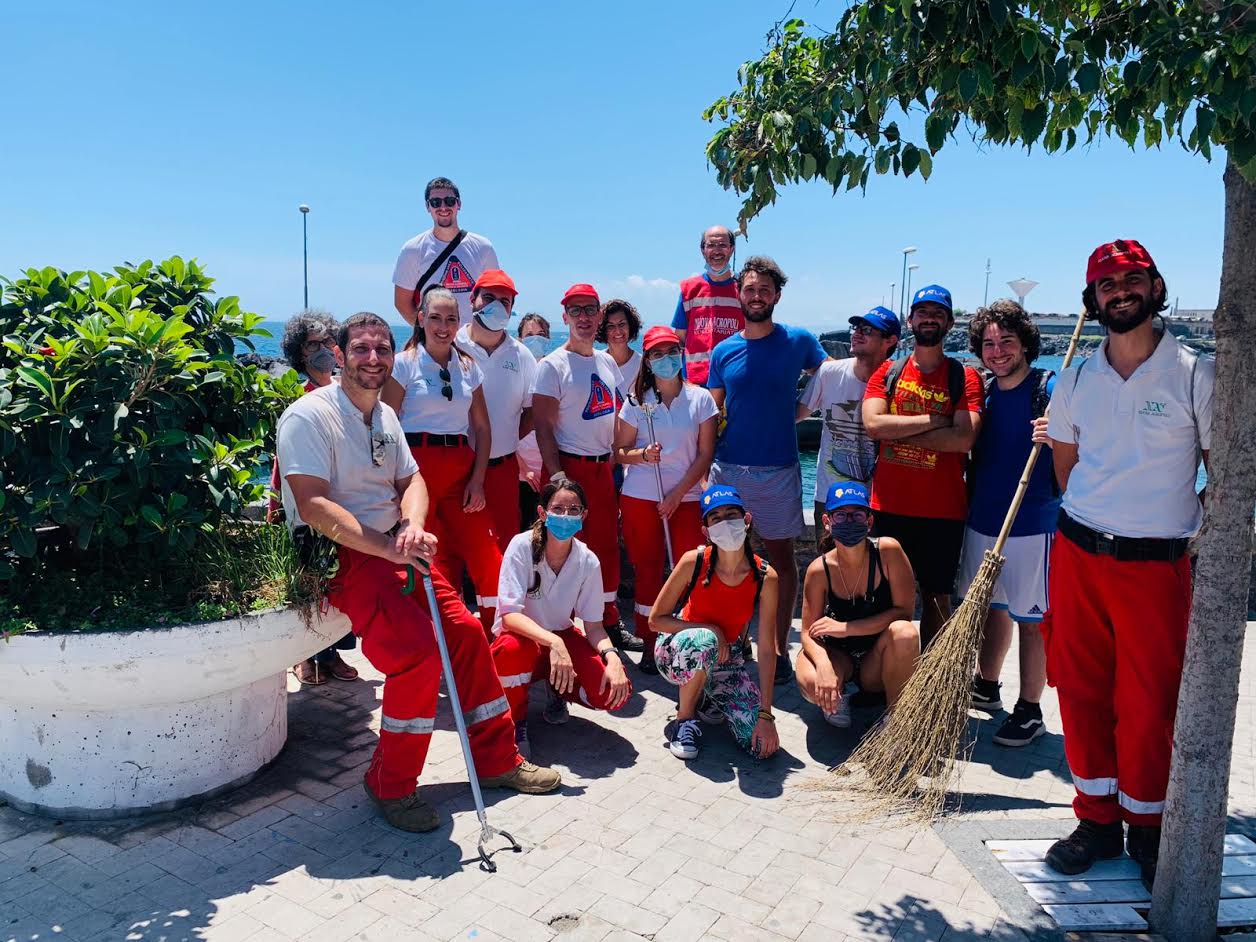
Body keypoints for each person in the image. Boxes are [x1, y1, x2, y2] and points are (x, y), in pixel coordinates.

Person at [276, 312, 559, 833]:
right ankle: (391, 784)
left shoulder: (384, 415)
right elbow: (313, 505)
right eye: (361, 349)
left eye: (382, 349)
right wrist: (388, 546)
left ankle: (497, 760)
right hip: (344, 555)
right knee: (416, 656)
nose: (374, 359)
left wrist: (412, 526)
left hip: (396, 547)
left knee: (469, 633)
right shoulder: (308, 416)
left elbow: (413, 480)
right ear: (341, 355)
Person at [1042, 240, 1212, 885]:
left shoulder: (1195, 372)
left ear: (1155, 285)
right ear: (1093, 299)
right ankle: (1095, 819)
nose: (1120, 291)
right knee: (1080, 690)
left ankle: (1148, 827)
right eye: (1107, 284)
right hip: (1081, 552)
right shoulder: (1079, 376)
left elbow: (1219, 470)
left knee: (1148, 701)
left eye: (1132, 279)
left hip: (1156, 567)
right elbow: (1065, 460)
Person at [707, 256, 827, 683]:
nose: (756, 296)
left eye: (764, 290)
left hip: (779, 469)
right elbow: (713, 410)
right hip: (729, 469)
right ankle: (730, 641)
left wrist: (800, 411)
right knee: (725, 558)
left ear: (776, 295)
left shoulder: (799, 340)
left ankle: (776, 647)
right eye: (749, 289)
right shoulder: (723, 351)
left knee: (782, 559)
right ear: (739, 293)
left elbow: (827, 376)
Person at [862, 284, 984, 649]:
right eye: (923, 312)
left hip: (942, 512)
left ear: (948, 323)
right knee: (879, 596)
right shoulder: (888, 371)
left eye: (938, 313)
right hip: (887, 508)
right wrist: (937, 419)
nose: (929, 319)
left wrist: (897, 433)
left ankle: (928, 684)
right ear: (911, 319)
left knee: (937, 599)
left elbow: (963, 439)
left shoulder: (964, 377)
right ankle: (879, 678)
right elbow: (873, 426)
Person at [961, 301, 1057, 747]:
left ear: (1025, 345)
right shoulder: (983, 391)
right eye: (989, 343)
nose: (997, 351)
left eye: (1006, 342)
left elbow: (1086, 442)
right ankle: (987, 685)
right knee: (992, 606)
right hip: (982, 516)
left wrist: (1055, 433)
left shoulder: (1049, 389)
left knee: (1031, 619)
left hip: (1032, 521)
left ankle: (1031, 709)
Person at [383, 288, 503, 634]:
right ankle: (438, 638)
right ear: (420, 318)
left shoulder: (468, 365)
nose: (443, 325)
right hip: (415, 471)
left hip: (460, 472)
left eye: (451, 318)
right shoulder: (404, 364)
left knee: (487, 556)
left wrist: (478, 480)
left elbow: (482, 427)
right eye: (435, 317)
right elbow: (387, 425)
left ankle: (496, 637)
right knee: (427, 559)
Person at [490, 480, 633, 759]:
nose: (566, 516)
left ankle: (558, 688)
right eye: (558, 508)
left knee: (616, 691)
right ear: (542, 513)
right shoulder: (521, 547)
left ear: (584, 515)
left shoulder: (588, 560)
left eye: (574, 509)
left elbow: (593, 626)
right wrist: (554, 642)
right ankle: (515, 721)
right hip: (522, 637)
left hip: (560, 637)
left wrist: (614, 658)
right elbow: (509, 616)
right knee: (509, 653)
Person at [533, 284, 639, 651]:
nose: (583, 317)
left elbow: (616, 415)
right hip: (567, 468)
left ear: (599, 316)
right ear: (564, 317)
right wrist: (556, 474)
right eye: (575, 310)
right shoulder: (551, 366)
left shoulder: (607, 361)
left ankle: (608, 621)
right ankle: (564, 626)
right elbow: (543, 426)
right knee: (562, 547)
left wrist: (621, 458)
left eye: (590, 310)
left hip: (602, 469)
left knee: (606, 547)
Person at [648, 485, 780, 760]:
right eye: (716, 518)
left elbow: (767, 648)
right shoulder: (694, 561)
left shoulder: (765, 576)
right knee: (705, 641)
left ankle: (707, 695)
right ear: (706, 531)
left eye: (732, 514)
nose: (725, 523)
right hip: (678, 649)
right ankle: (683, 720)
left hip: (725, 658)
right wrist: (709, 629)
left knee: (760, 746)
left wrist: (766, 715)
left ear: (747, 520)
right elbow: (655, 621)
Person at [614, 326, 719, 673]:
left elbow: (705, 454)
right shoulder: (636, 402)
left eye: (671, 351)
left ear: (682, 354)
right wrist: (643, 454)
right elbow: (619, 453)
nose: (665, 359)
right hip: (642, 496)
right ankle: (649, 640)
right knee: (647, 571)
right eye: (657, 354)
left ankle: (689, 638)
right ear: (647, 360)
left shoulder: (701, 399)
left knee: (688, 571)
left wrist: (676, 495)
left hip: (687, 498)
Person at [272, 311, 359, 686]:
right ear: (299, 353)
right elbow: (281, 457)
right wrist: (276, 504)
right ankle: (303, 655)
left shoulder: (345, 392)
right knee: (308, 580)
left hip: (341, 500)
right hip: (305, 502)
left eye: (327, 342)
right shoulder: (294, 396)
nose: (323, 350)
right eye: (313, 344)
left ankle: (332, 652)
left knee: (336, 581)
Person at [795, 483, 919, 727]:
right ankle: (835, 696)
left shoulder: (888, 552)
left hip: (877, 658)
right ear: (828, 521)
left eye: (857, 515)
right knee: (810, 681)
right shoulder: (819, 570)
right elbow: (808, 633)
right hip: (839, 655)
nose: (849, 521)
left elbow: (904, 612)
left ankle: (896, 717)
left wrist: (847, 627)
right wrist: (823, 666)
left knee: (905, 633)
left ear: (869, 521)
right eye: (841, 515)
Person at [457, 269, 538, 553]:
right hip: (457, 468)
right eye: (488, 297)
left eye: (504, 302)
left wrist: (507, 438)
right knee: (455, 547)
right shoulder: (451, 346)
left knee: (503, 544)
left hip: (503, 468)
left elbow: (531, 411)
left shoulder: (522, 355)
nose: (496, 306)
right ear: (472, 299)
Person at [797, 306, 900, 524]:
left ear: (890, 340)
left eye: (868, 330)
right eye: (856, 328)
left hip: (877, 501)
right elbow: (794, 415)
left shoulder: (898, 381)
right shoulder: (829, 373)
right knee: (827, 559)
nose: (857, 333)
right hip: (830, 497)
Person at [392, 176, 499, 328]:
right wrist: (428, 333)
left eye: (449, 201)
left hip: (474, 343)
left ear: (459, 204)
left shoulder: (483, 247)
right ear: (428, 207)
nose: (443, 207)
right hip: (433, 347)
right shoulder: (412, 249)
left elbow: (495, 296)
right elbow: (402, 303)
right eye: (435, 202)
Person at [671, 226, 743, 386]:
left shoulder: (745, 288)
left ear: (731, 249)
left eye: (722, 245)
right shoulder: (689, 289)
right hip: (695, 384)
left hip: (734, 381)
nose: (717, 251)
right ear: (703, 250)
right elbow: (679, 339)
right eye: (711, 245)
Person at [516, 314, 550, 528]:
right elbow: (504, 427)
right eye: (529, 335)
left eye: (541, 334)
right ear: (519, 339)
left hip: (550, 472)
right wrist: (523, 468)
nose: (535, 339)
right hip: (519, 474)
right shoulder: (513, 375)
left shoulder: (554, 371)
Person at [597, 299, 643, 396]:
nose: (618, 331)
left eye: (622, 324)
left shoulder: (643, 366)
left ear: (630, 326)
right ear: (603, 330)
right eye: (610, 326)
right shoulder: (595, 363)